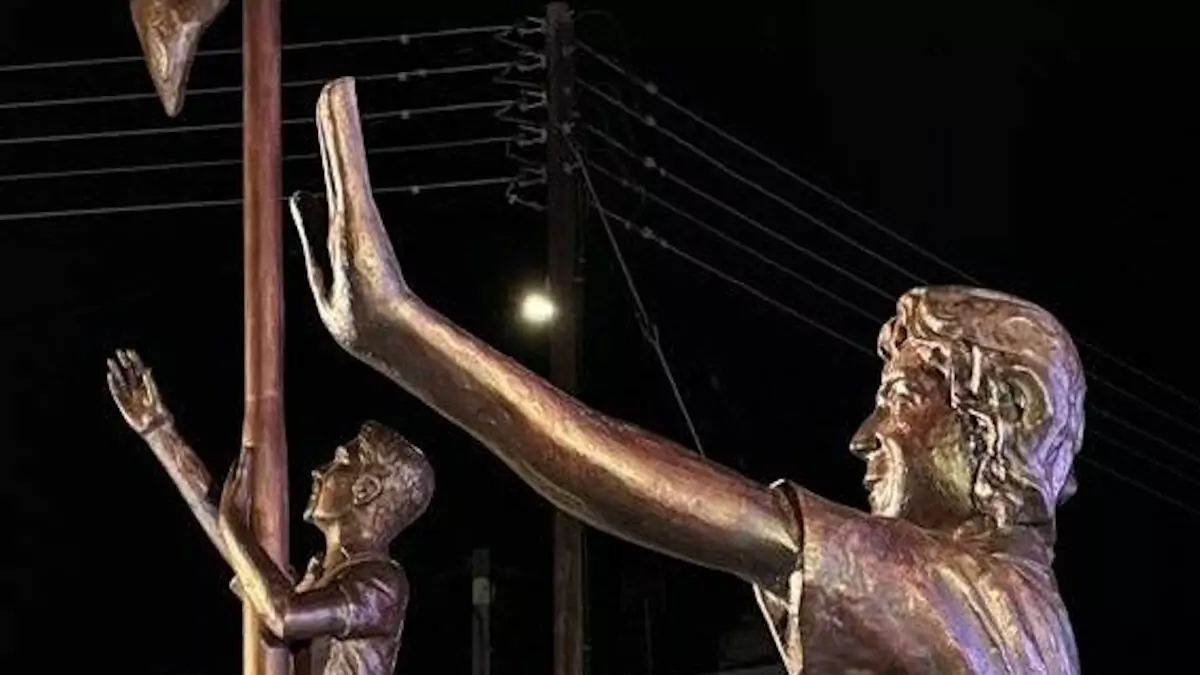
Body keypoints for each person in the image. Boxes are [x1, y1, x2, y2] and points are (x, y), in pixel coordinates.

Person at [291, 77, 1084, 674]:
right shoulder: (1000, 609)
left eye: (904, 398)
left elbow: (642, 487)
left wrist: (406, 333)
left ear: (1009, 411)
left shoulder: (978, 597)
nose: (864, 436)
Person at [107, 349, 434, 675]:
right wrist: (159, 432)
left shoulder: (381, 585)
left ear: (365, 490)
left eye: (339, 463)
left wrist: (234, 525)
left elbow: (283, 615)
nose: (319, 472)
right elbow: (249, 565)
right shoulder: (323, 575)